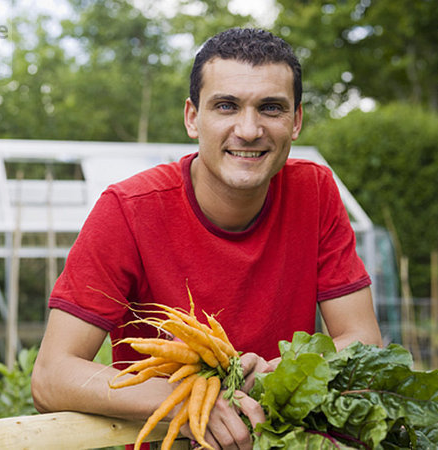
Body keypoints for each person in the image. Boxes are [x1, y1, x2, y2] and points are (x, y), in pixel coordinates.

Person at [31, 27, 382, 450]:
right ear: (192, 117)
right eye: (226, 106)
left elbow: (363, 340)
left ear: (297, 121)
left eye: (271, 108)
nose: (249, 129)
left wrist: (277, 372)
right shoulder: (128, 209)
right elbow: (51, 376)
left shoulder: (315, 191)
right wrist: (191, 399)